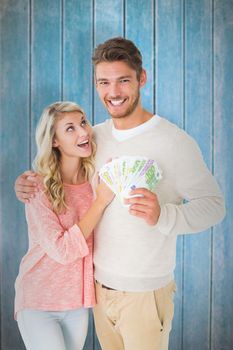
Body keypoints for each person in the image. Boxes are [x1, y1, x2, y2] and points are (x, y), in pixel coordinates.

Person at [15, 38, 226, 350]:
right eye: (104, 82)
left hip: (144, 293)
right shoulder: (94, 138)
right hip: (97, 292)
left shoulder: (174, 141)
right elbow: (62, 177)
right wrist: (26, 182)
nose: (113, 92)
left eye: (123, 80)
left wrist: (164, 215)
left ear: (142, 78)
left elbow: (214, 207)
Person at [14, 101, 114, 350]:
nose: (83, 132)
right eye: (70, 128)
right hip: (39, 300)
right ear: (54, 141)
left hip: (77, 303)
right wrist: (100, 202)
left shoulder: (95, 181)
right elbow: (63, 250)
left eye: (83, 123)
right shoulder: (38, 187)